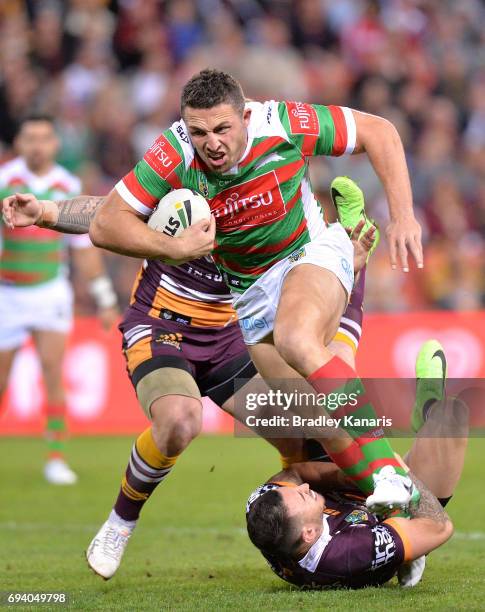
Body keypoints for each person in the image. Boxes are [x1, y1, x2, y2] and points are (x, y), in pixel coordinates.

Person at [4, 171, 391, 578]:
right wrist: (45, 211)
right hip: (160, 328)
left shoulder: (268, 212)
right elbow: (109, 212)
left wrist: (350, 255)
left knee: (306, 429)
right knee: (179, 420)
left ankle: (343, 535)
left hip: (228, 340)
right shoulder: (183, 184)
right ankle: (121, 521)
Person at [246, 340, 467, 590]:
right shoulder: (347, 554)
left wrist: (361, 476)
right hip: (397, 518)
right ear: (309, 533)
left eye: (296, 490)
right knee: (452, 416)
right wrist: (397, 471)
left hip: (359, 485)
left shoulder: (264, 507)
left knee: (330, 420)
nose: (305, 487)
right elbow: (440, 526)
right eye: (304, 496)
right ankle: (428, 414)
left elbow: (296, 472)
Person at [0, 115, 119, 485]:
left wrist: (103, 298)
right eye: (30, 137)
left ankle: (55, 458)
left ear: (55, 144)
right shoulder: (5, 180)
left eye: (45, 138)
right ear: (19, 142)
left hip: (50, 290)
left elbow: (82, 247)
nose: (37, 145)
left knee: (53, 374)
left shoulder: (66, 185)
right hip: (8, 292)